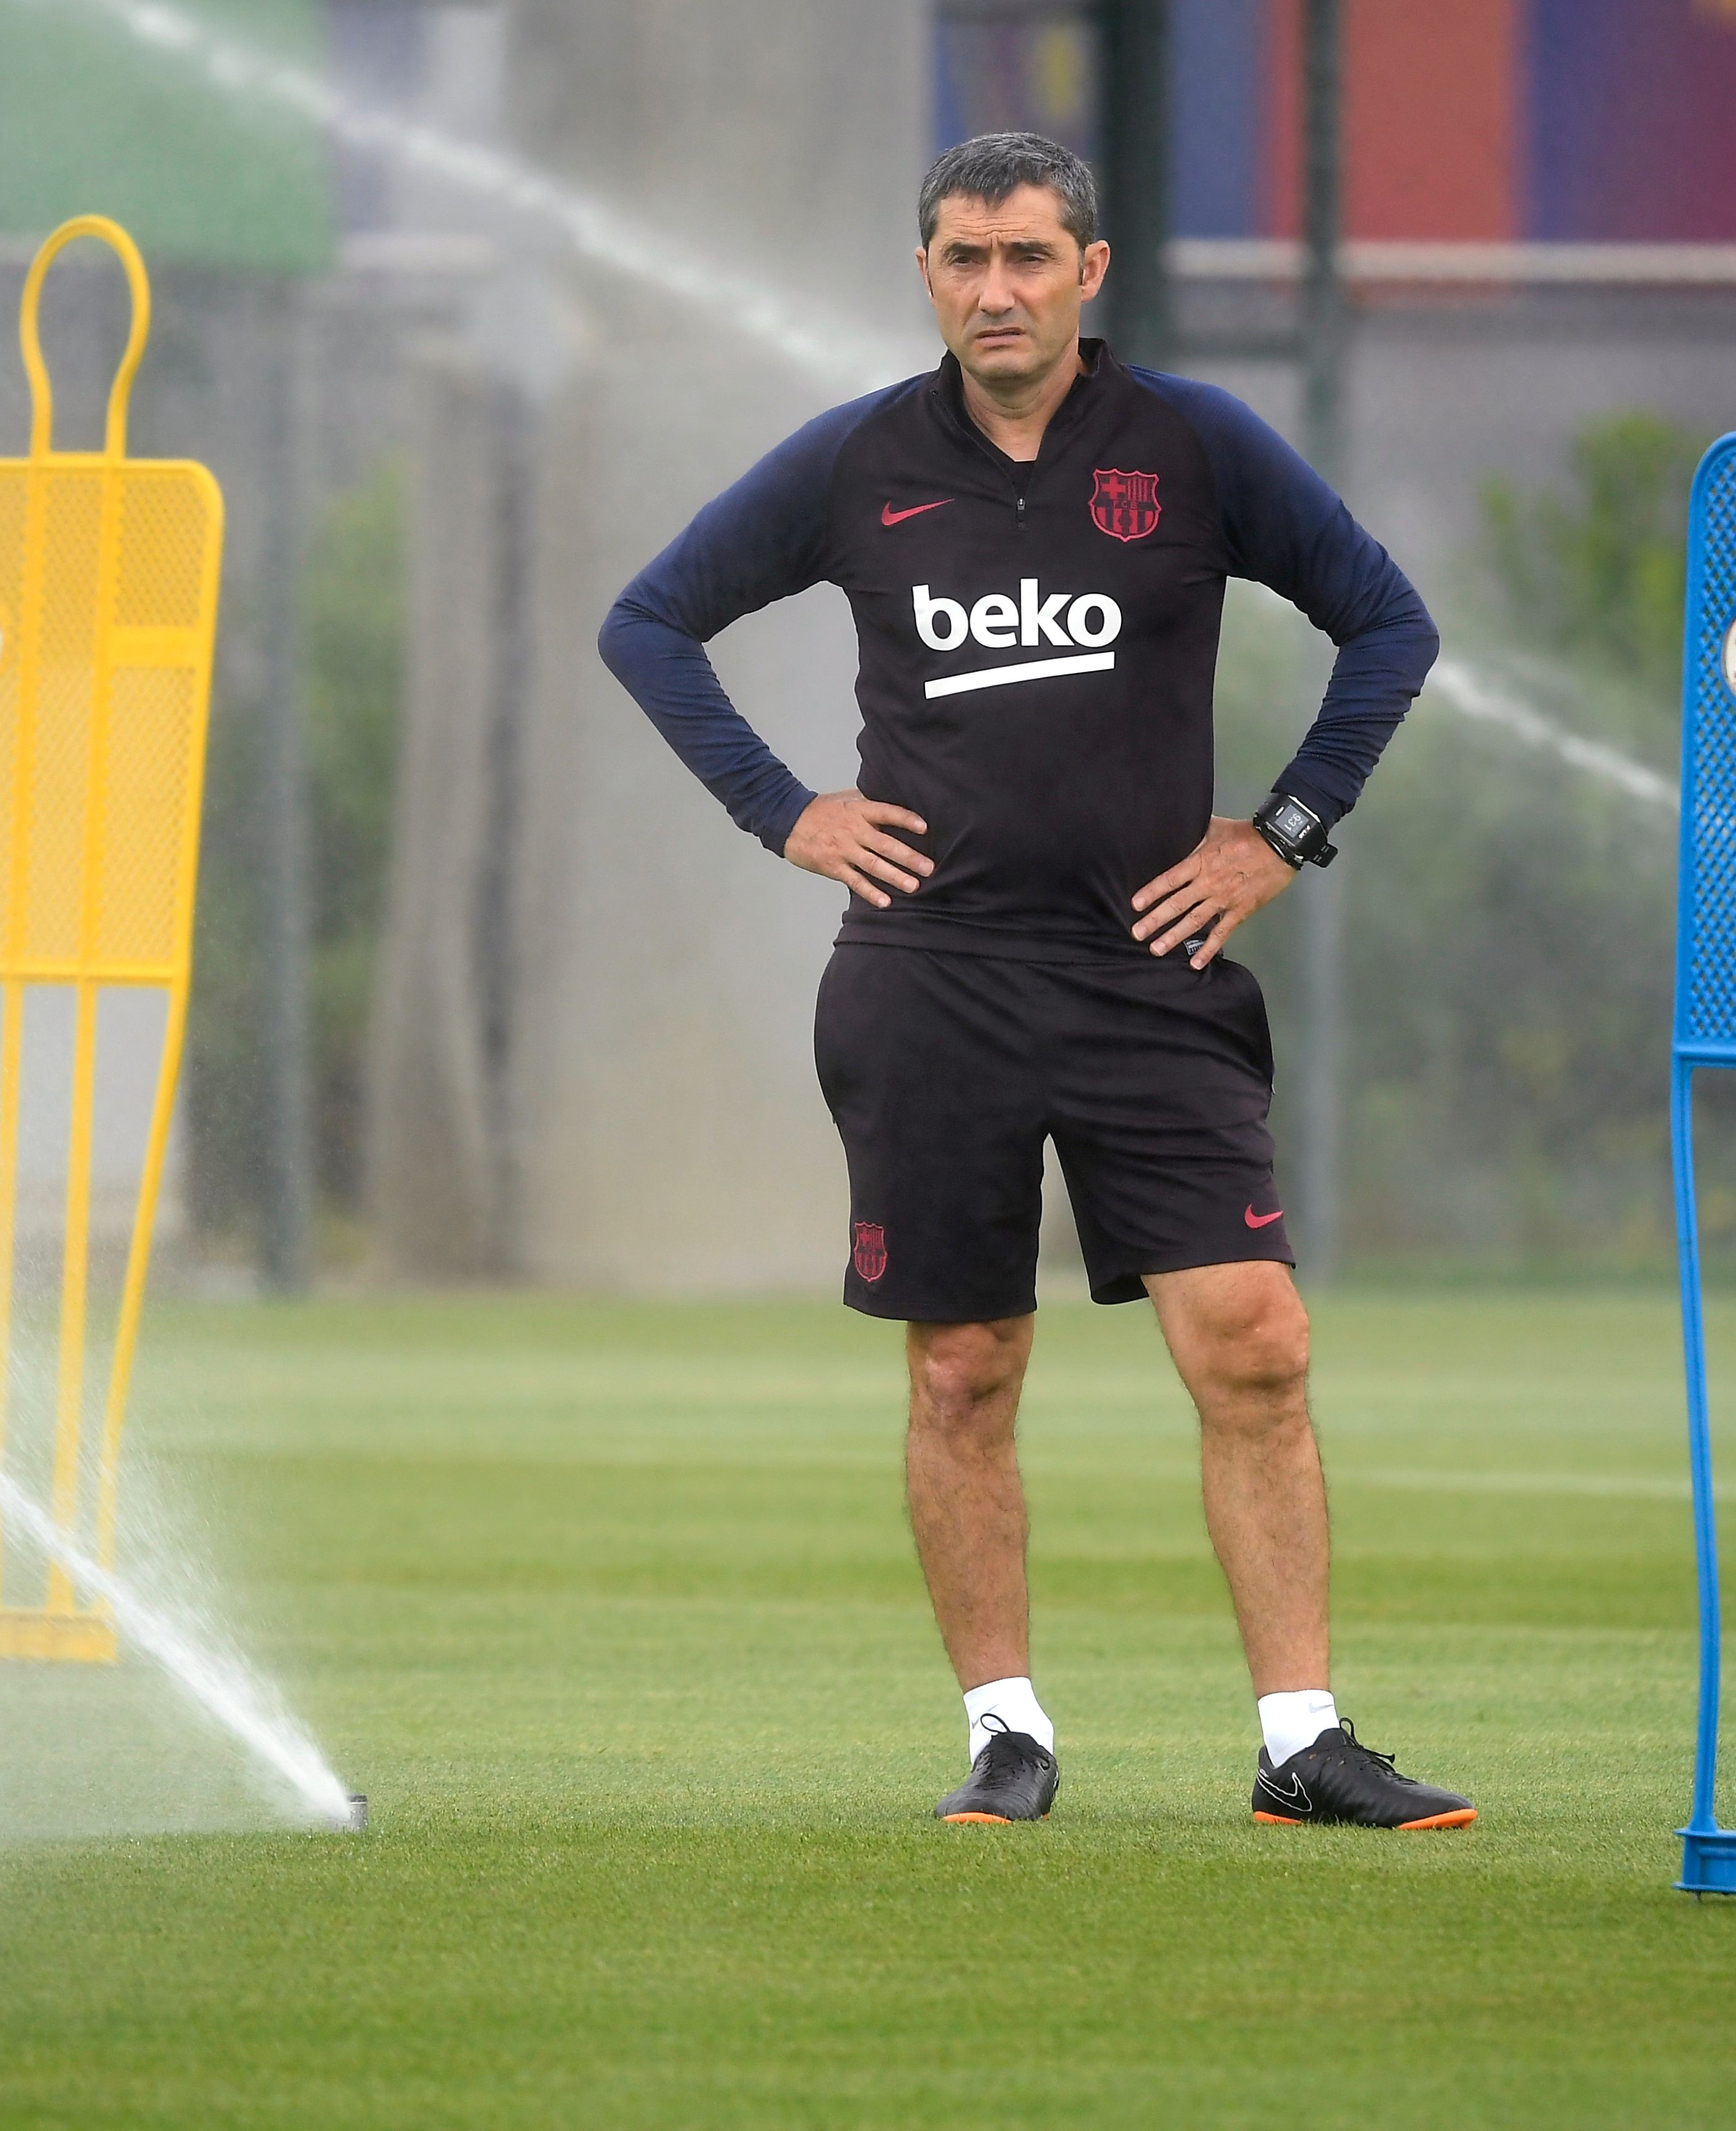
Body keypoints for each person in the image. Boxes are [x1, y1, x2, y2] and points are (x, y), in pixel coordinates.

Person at [598, 132, 1466, 1831]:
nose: (996, 288)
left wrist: (1280, 834)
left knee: (1258, 1344)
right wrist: (783, 812)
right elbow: (651, 621)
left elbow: (1389, 624)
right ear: (926, 275)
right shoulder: (858, 462)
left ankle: (1304, 1739)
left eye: (1028, 257)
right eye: (963, 258)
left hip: (1154, 971)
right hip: (932, 982)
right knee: (962, 1368)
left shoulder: (1196, 447)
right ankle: (1006, 1733)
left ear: (1092, 271)